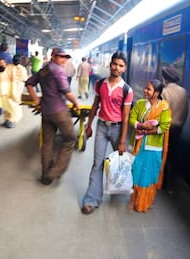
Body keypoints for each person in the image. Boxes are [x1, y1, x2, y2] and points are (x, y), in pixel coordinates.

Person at [81, 51, 134, 215]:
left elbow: (126, 117)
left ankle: (122, 188)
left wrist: (122, 141)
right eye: (114, 64)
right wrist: (88, 125)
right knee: (97, 163)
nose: (116, 68)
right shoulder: (100, 84)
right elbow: (95, 105)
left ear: (124, 68)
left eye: (120, 65)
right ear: (110, 64)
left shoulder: (127, 90)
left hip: (118, 128)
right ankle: (91, 200)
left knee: (121, 162)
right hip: (102, 127)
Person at [25, 48, 80, 185]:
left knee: (47, 144)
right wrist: (76, 103)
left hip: (46, 112)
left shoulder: (44, 70)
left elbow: (29, 83)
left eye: (65, 58)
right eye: (61, 57)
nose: (64, 60)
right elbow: (66, 92)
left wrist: (37, 101)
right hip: (60, 112)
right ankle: (54, 172)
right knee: (69, 139)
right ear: (53, 56)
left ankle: (45, 177)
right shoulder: (59, 70)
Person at [127, 79, 172, 212]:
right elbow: (131, 118)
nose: (145, 91)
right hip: (138, 145)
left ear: (156, 93)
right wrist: (140, 125)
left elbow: (164, 126)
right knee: (135, 171)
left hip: (153, 147)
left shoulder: (164, 107)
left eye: (148, 89)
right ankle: (133, 200)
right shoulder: (140, 104)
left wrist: (148, 131)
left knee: (149, 174)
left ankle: (146, 201)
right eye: (145, 88)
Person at [160, 65, 189, 190]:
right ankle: (172, 182)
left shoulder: (164, 92)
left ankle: (164, 182)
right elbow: (186, 111)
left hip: (167, 128)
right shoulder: (184, 91)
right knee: (173, 154)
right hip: (178, 127)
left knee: (164, 154)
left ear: (164, 78)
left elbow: (161, 113)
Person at [0, 54, 28, 128]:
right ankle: (9, 121)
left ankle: (9, 120)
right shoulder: (22, 69)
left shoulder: (8, 67)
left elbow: (0, 76)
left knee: (10, 106)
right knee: (12, 106)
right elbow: (25, 79)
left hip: (9, 91)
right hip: (14, 92)